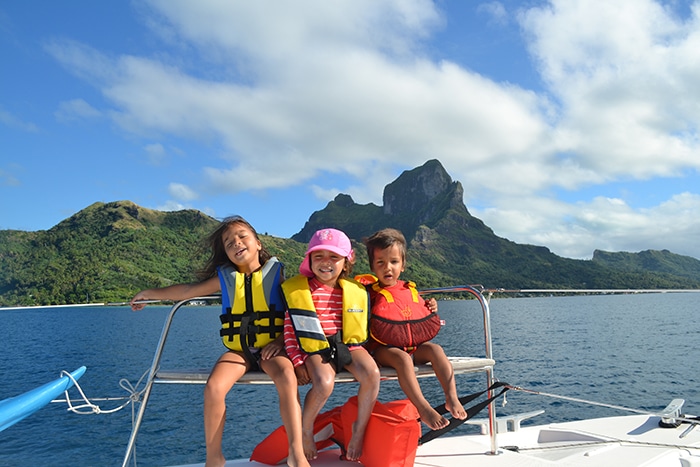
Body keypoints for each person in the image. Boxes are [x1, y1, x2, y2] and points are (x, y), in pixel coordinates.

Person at [130, 216, 309, 467]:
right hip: (239, 351)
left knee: (287, 377)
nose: (236, 243)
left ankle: (296, 453)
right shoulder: (224, 279)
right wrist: (150, 294)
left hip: (273, 349)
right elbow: (186, 292)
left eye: (242, 236)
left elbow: (294, 314)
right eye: (228, 242)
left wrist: (280, 340)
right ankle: (214, 458)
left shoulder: (277, 276)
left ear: (258, 243)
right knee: (214, 387)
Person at [282, 228, 380, 462]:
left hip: (348, 345)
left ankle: (358, 428)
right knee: (325, 383)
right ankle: (306, 429)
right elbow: (290, 329)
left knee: (372, 374)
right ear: (309, 260)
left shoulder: (355, 290)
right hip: (315, 348)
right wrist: (297, 361)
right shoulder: (301, 291)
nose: (326, 263)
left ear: (347, 261)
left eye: (334, 257)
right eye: (319, 256)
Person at [362, 228, 466, 430]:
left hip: (413, 347)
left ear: (403, 265)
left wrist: (431, 306)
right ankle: (423, 407)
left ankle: (451, 397)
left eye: (393, 262)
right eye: (380, 263)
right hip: (384, 350)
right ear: (373, 266)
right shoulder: (370, 293)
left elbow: (415, 310)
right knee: (401, 360)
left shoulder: (410, 288)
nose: (387, 268)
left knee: (436, 350)